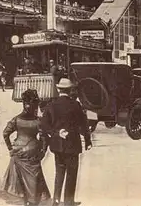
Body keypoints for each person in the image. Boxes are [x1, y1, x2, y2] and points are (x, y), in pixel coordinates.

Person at [40, 78, 92, 206]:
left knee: (59, 172)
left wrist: (56, 133)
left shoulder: (51, 105)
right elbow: (83, 124)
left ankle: (56, 200)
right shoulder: (76, 105)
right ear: (70, 90)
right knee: (71, 174)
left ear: (58, 90)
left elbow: (44, 124)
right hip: (72, 144)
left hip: (57, 144)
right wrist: (87, 140)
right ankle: (69, 201)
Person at [0, 89, 51, 206]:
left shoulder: (16, 119)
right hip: (33, 152)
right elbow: (44, 139)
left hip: (18, 152)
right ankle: (33, 202)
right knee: (35, 181)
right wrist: (42, 152)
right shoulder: (38, 121)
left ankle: (26, 202)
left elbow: (5, 133)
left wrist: (10, 149)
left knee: (21, 182)